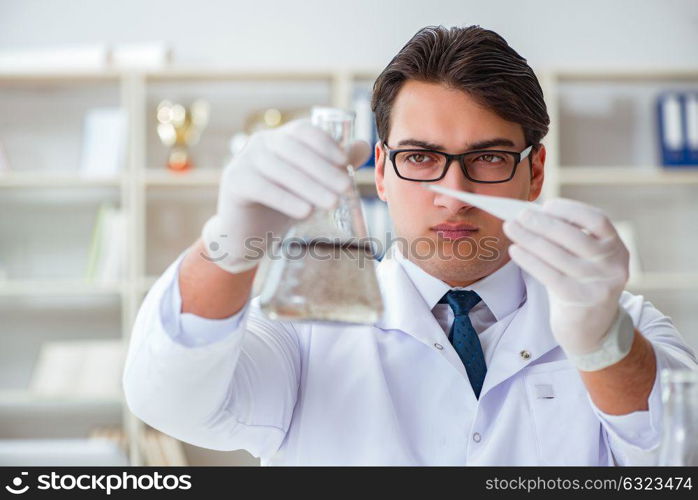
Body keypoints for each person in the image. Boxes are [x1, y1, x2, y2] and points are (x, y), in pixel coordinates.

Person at [123, 25, 697, 466]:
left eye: (489, 158)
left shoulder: (626, 328)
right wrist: (231, 242)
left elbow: (679, 455)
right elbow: (170, 399)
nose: (454, 195)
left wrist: (602, 344)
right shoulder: (304, 333)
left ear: (535, 171)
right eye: (420, 158)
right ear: (380, 171)